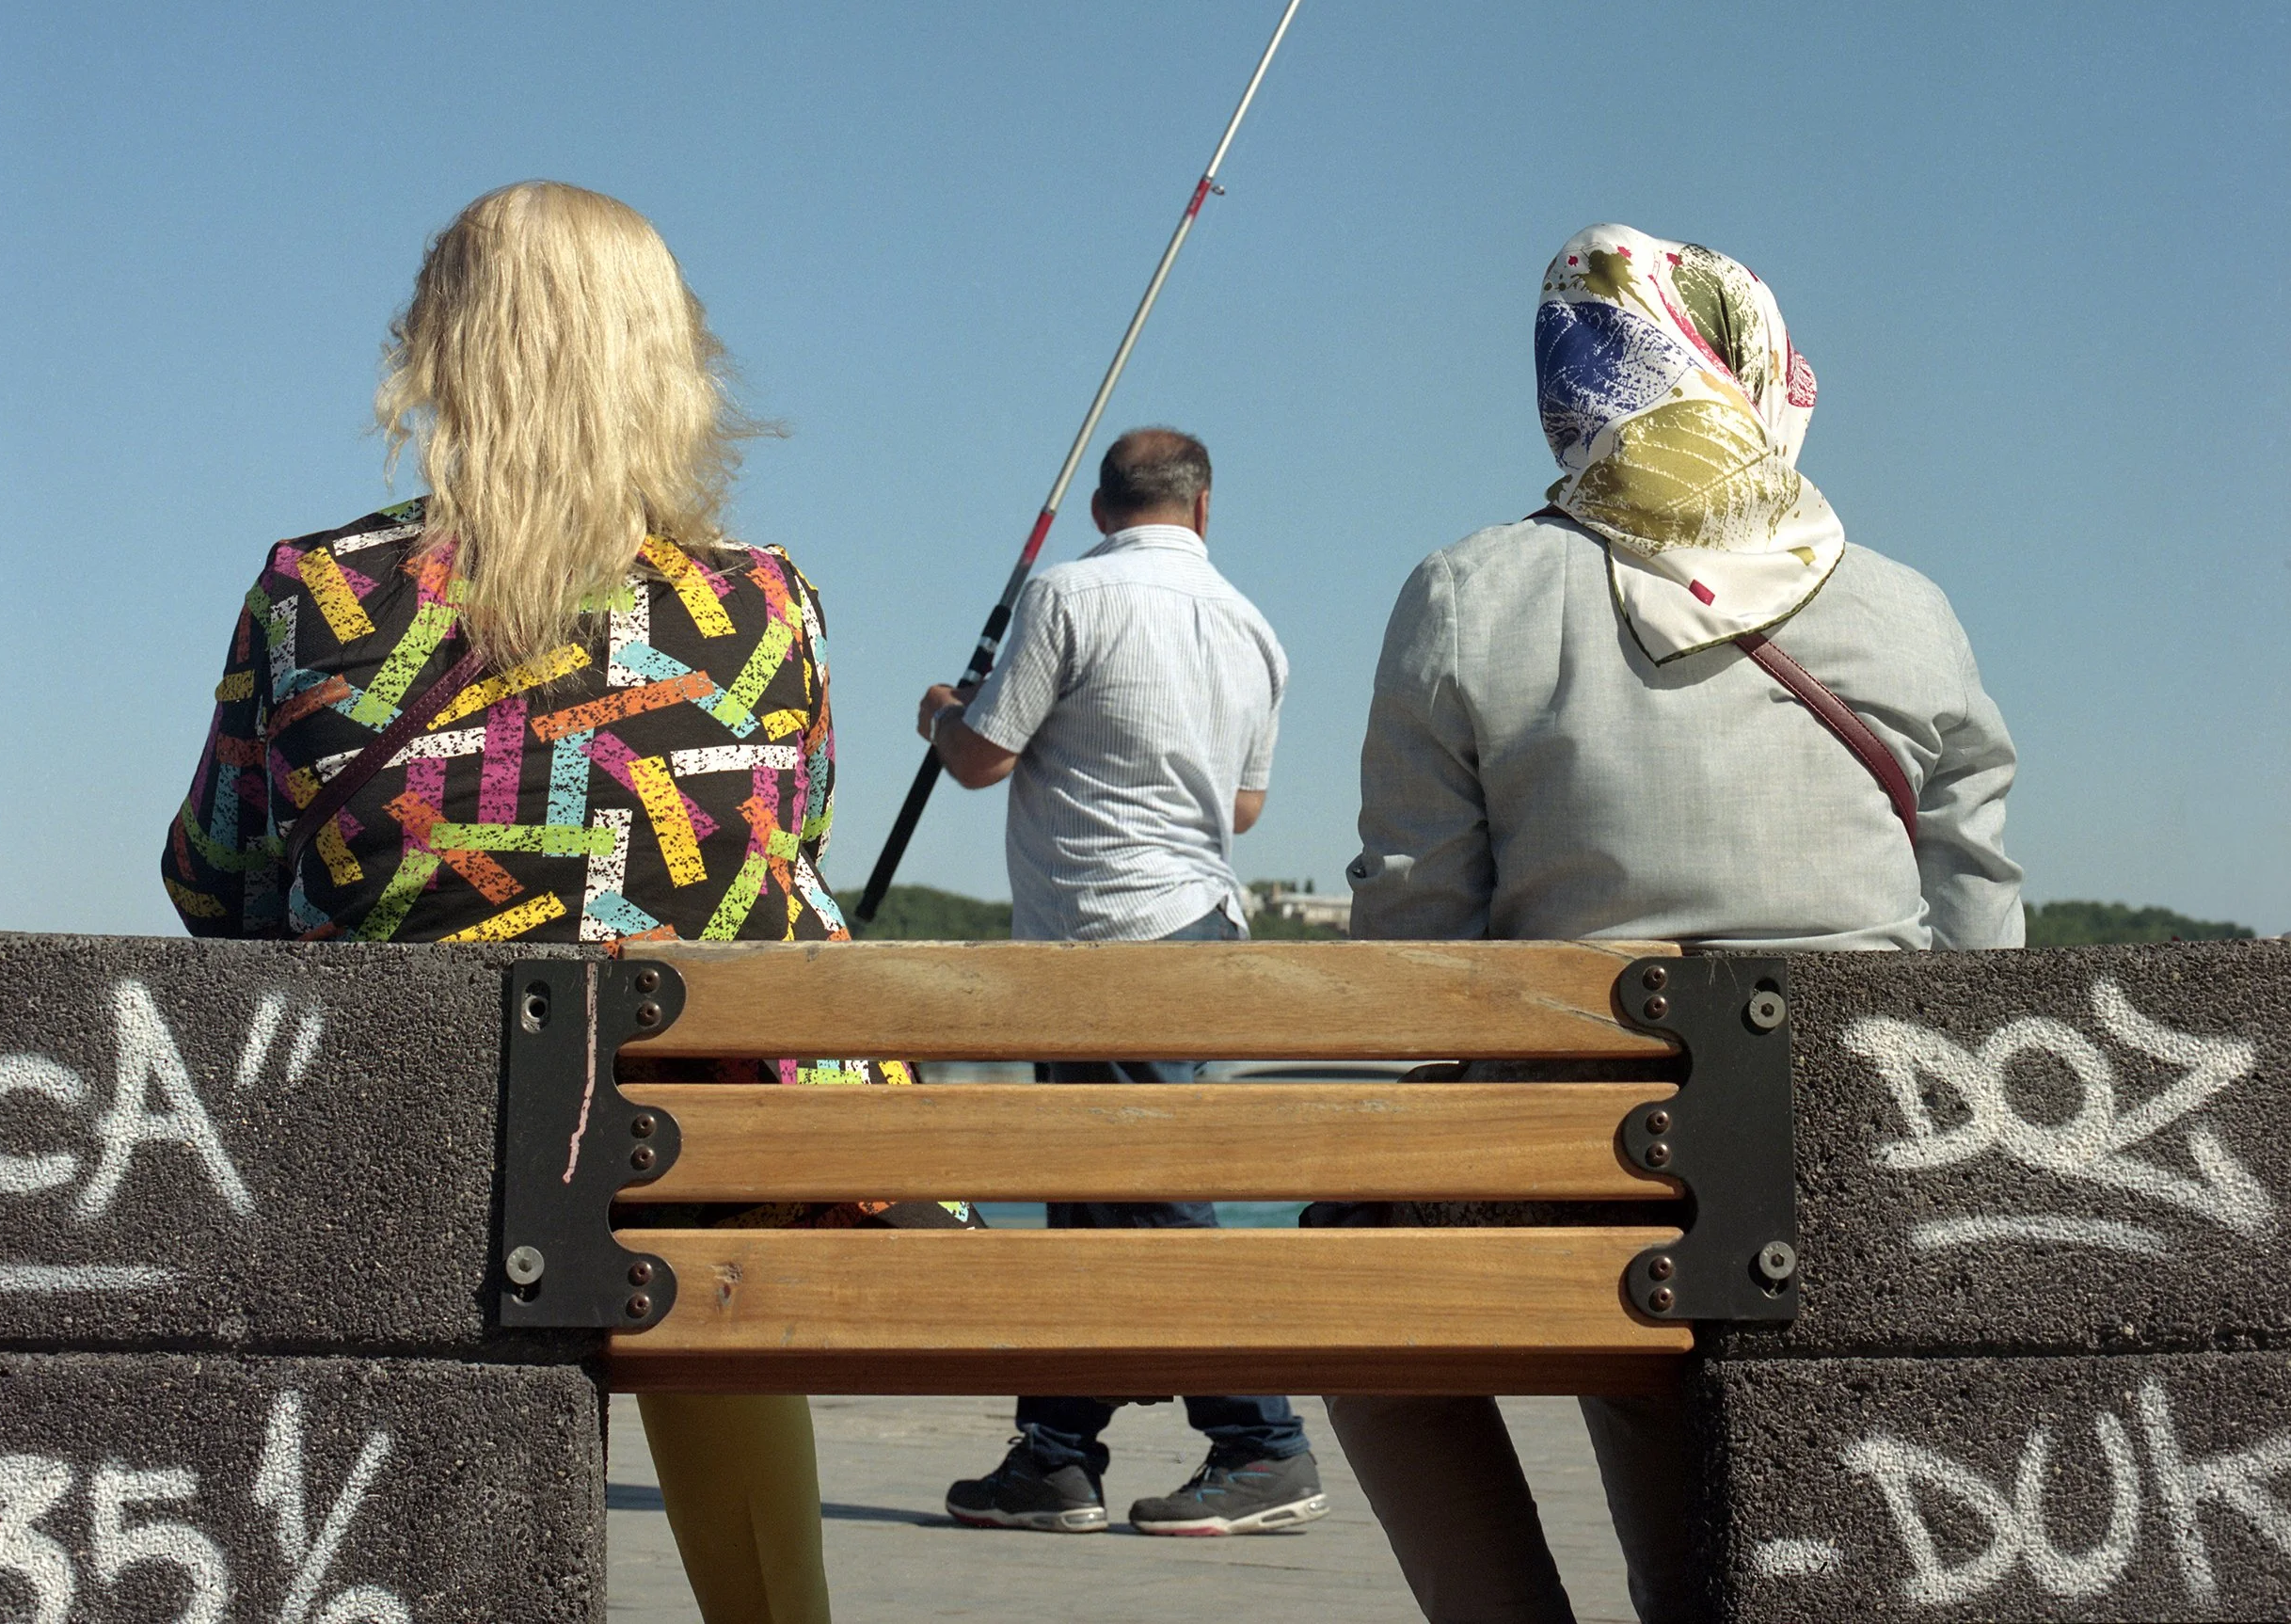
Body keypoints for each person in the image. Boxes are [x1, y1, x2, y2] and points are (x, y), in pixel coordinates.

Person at [164, 181, 970, 1624]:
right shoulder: (764, 602)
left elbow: (215, 883)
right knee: (700, 1182)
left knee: (495, 1156)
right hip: (693, 1175)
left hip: (404, 1174)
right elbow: (783, 852)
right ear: (668, 361)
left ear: (442, 352)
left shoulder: (313, 592)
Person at [1328, 225, 2021, 1624]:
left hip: (1599, 1168)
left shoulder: (1469, 593)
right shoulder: (1906, 609)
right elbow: (1982, 945)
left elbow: (1412, 946)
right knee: (1727, 1239)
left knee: (1361, 1270)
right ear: (1746, 359)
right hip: (1874, 1155)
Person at [916, 425, 1328, 1536]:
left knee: (1146, 1199)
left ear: (1104, 510)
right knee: (1100, 1197)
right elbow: (1240, 809)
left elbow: (981, 759)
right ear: (1202, 510)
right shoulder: (1254, 628)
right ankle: (1055, 1454)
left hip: (1102, 935)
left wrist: (941, 714)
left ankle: (1262, 1441)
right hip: (1201, 925)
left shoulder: (1063, 600)